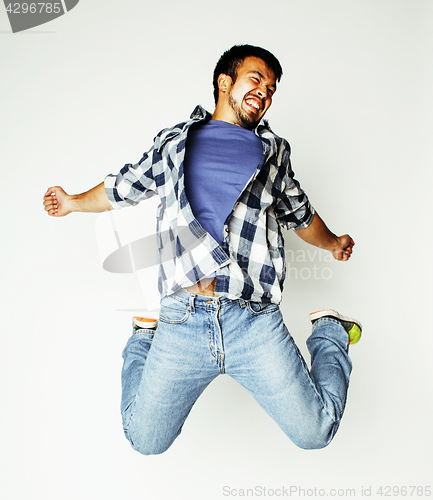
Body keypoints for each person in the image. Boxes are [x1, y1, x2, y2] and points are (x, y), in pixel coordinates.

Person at [43, 44, 362, 455]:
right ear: (224, 81)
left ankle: (330, 331)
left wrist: (334, 242)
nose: (265, 91)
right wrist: (71, 202)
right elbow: (122, 188)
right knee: (145, 440)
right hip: (184, 318)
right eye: (256, 79)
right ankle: (144, 338)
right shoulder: (174, 144)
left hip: (254, 321)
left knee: (315, 432)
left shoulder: (273, 153)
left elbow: (300, 215)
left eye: (271, 88)